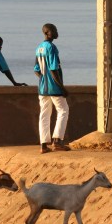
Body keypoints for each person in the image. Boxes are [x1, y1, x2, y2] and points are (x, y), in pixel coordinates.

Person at [34, 23, 70, 153]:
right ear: (47, 32)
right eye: (54, 30)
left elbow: (36, 69)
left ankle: (43, 145)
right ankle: (57, 141)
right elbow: (54, 69)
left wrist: (44, 78)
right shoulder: (52, 48)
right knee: (63, 110)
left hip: (42, 88)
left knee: (44, 114)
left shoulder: (39, 48)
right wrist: (62, 87)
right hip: (54, 88)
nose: (56, 32)